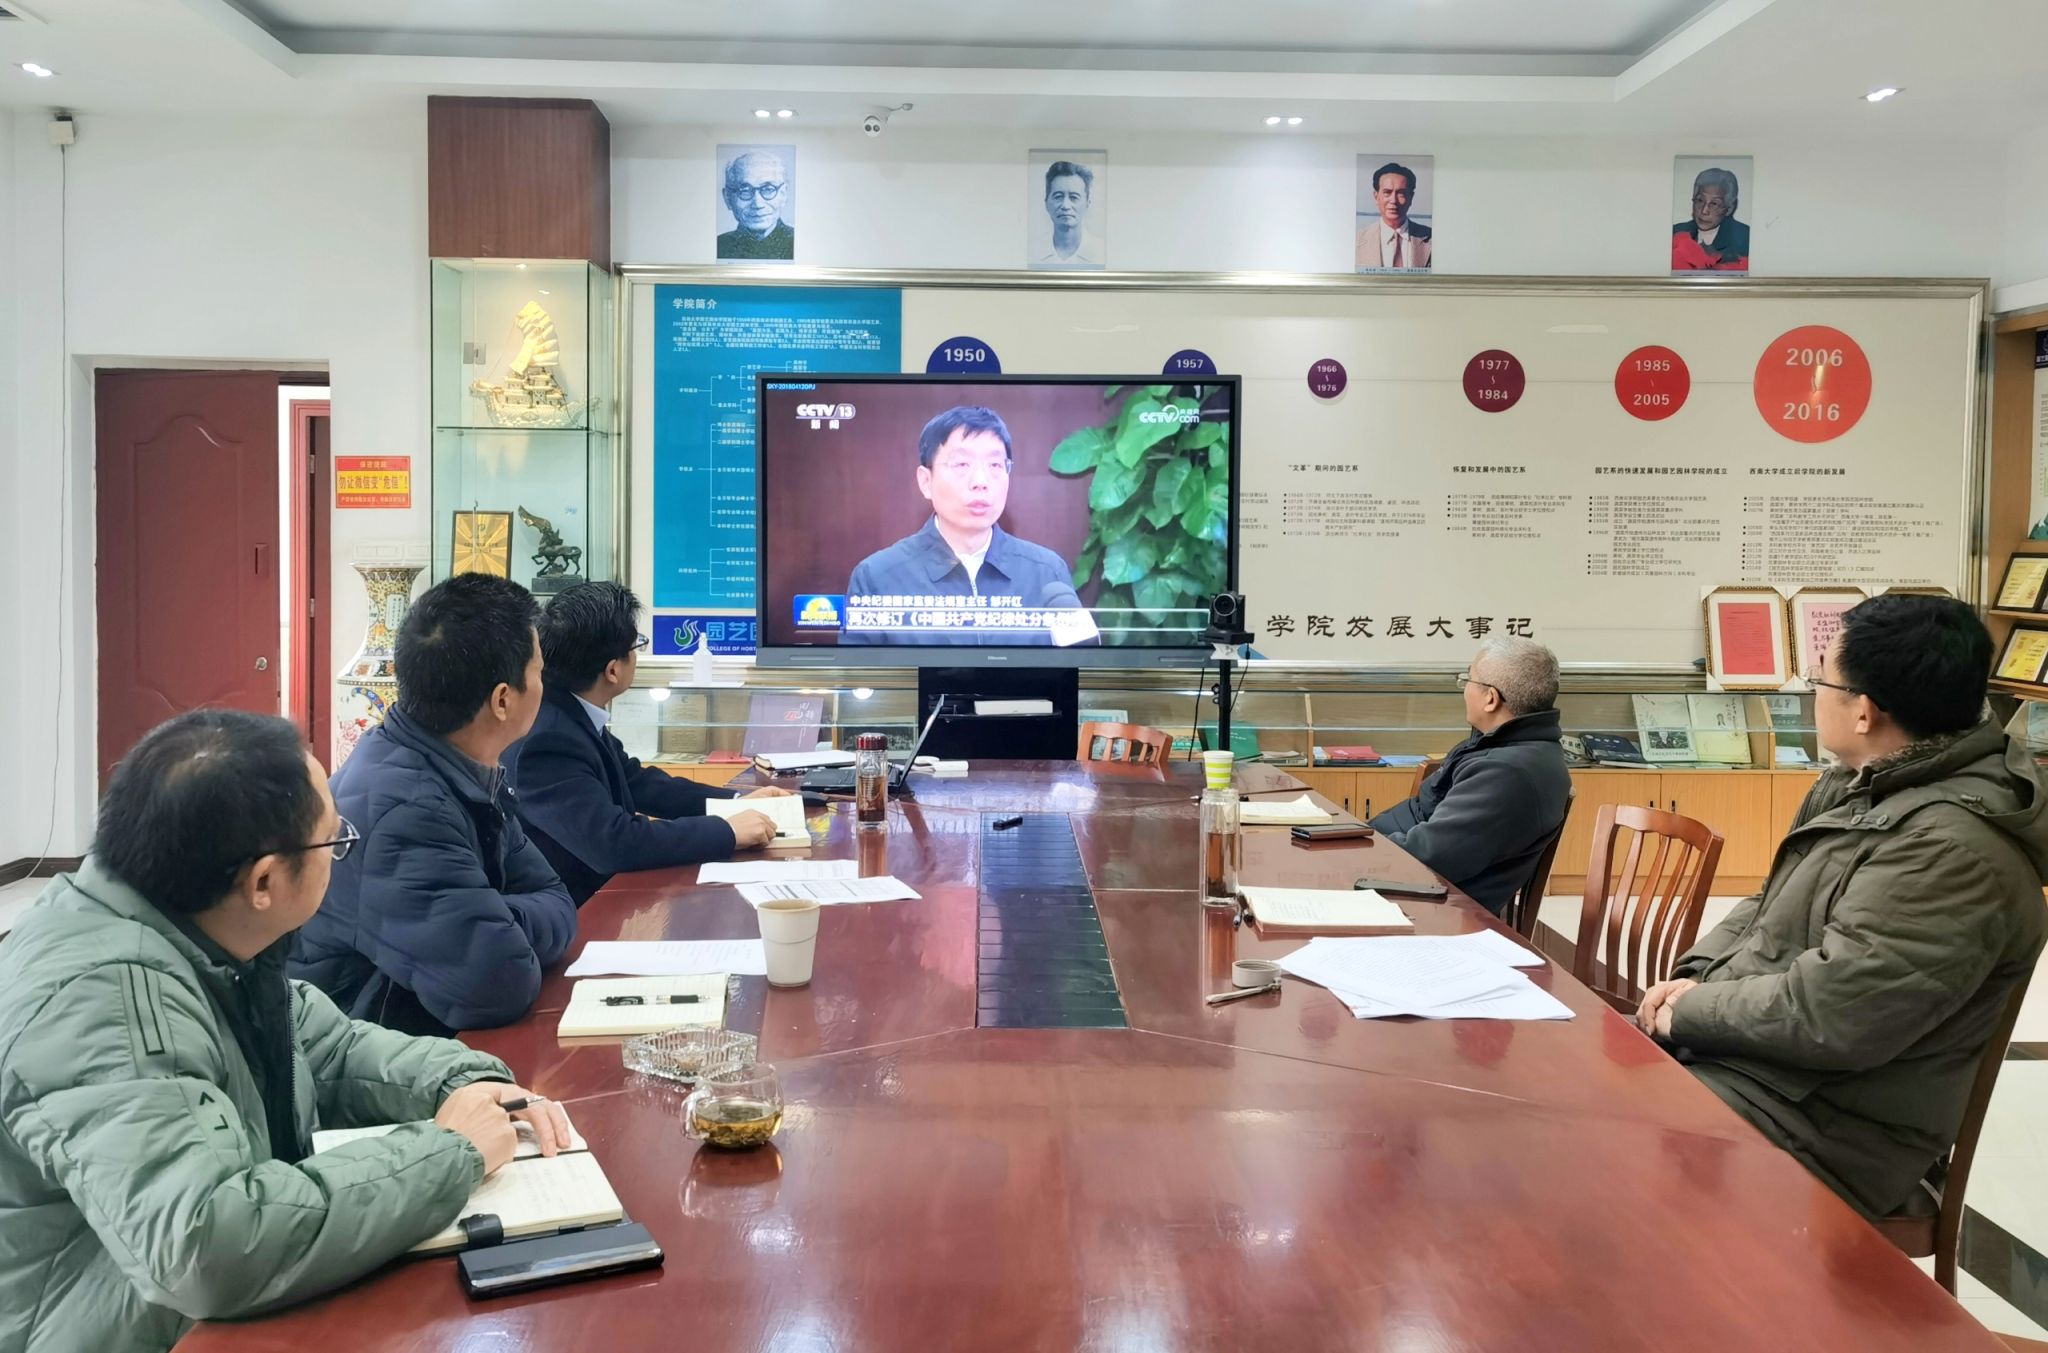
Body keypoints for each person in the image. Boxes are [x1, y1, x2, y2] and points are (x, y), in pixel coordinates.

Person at [0, 709, 570, 1353]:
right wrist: (448, 1152)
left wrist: (463, 1081)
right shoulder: (102, 1003)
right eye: (335, 842)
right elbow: (206, 1244)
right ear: (265, 880)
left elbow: (332, 1048)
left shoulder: (196, 929)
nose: (342, 853)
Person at [1638, 596, 2046, 1221]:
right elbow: (1769, 901)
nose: (1813, 693)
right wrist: (1692, 980)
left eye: (1820, 679)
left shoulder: (1951, 851)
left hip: (1824, 1127)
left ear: (1863, 711)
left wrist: (1692, 1013)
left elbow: (1829, 1016)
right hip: (1759, 1072)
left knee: (1588, 1162)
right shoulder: (1861, 784)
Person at [292, 573, 576, 1036]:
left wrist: (497, 917)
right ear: (502, 700)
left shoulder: (463, 768)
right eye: (539, 672)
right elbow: (496, 983)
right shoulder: (405, 810)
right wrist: (496, 921)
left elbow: (557, 898)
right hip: (368, 1060)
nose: (544, 686)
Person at [510, 582, 793, 904]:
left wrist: (736, 801)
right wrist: (727, 831)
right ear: (613, 670)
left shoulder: (571, 712)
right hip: (575, 912)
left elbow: (639, 783)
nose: (636, 655)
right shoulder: (548, 740)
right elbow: (613, 843)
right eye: (636, 646)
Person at [841, 405, 1083, 646]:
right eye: (961, 464)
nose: (981, 481)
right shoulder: (877, 577)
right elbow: (858, 669)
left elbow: (1080, 664)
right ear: (926, 481)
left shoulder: (1048, 572)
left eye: (995, 465)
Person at [1366, 636, 1570, 913]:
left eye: (1468, 680)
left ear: (1490, 698)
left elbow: (1430, 856)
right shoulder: (1497, 746)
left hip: (1437, 909)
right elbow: (1421, 811)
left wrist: (1360, 852)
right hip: (1418, 887)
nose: (1464, 690)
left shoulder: (1507, 773)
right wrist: (1361, 834)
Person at [716, 148, 794, 261]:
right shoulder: (719, 247)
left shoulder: (798, 243)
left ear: (783, 194)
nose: (757, 204)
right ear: (727, 198)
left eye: (768, 189)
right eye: (745, 190)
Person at [1355, 161, 1432, 271]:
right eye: (1387, 192)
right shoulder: (1357, 241)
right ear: (1376, 196)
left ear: (1411, 197)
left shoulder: (1432, 238)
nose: (1393, 200)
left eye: (1401, 193)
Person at [1672, 166, 1749, 271]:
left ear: (1730, 208)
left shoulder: (1745, 239)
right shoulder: (1675, 232)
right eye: (1700, 200)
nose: (1704, 211)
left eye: (1714, 204)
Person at [1034, 160, 1104, 267]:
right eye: (1058, 197)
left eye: (1074, 197)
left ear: (1087, 203)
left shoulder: (1102, 252)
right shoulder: (1032, 251)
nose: (1065, 206)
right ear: (1046, 203)